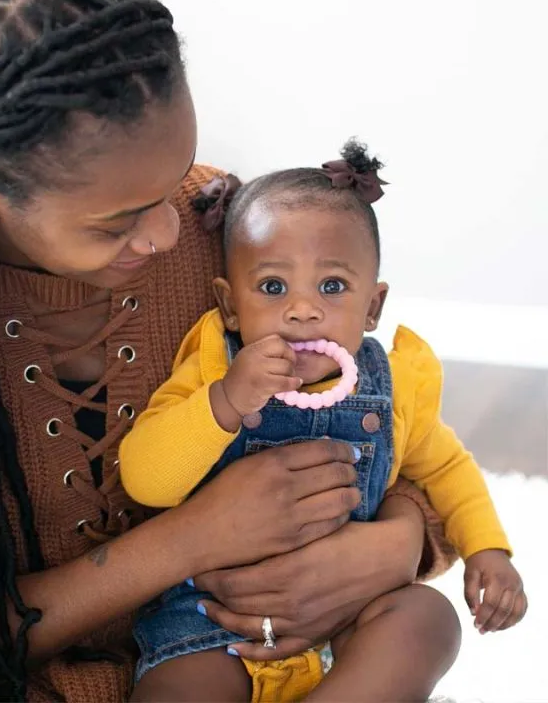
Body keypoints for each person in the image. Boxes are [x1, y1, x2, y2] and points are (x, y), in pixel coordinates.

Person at [0, 0, 457, 702]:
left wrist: (397, 544)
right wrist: (187, 540)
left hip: (260, 667)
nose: (169, 230)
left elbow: (379, 416)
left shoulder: (214, 222)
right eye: (118, 221)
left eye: (172, 182)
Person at [120, 140, 528, 702]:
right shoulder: (214, 364)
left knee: (429, 619)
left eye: (332, 287)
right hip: (214, 626)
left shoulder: (395, 382)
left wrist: (488, 551)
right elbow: (146, 479)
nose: (303, 309)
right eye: (272, 287)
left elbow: (447, 466)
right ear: (231, 304)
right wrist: (223, 402)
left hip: (349, 619)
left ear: (373, 307)